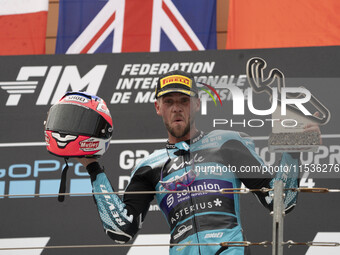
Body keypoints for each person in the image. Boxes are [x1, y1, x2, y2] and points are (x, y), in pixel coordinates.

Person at [77, 70, 315, 255]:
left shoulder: (227, 143)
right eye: (169, 101)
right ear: (158, 107)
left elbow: (280, 202)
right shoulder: (149, 167)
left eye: (184, 100)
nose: (177, 108)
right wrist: (93, 167)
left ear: (198, 104)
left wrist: (291, 153)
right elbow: (121, 230)